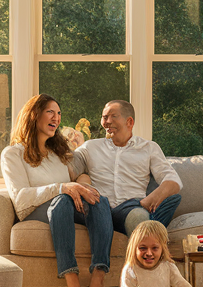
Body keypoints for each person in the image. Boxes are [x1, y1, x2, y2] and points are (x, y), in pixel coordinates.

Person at [0, 94, 111, 287]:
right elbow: (21, 198)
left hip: (67, 204)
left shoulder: (57, 151)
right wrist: (62, 188)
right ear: (34, 115)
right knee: (61, 201)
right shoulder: (13, 153)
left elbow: (78, 176)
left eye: (59, 113)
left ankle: (99, 271)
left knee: (99, 200)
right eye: (51, 112)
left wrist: (84, 186)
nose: (57, 118)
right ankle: (73, 286)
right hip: (37, 209)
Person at [72, 100, 183, 238]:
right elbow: (70, 166)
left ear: (129, 122)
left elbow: (173, 180)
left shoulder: (149, 148)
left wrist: (151, 199)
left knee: (140, 215)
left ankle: (142, 251)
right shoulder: (90, 147)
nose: (107, 121)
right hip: (99, 210)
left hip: (130, 209)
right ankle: (154, 228)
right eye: (104, 117)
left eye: (113, 116)